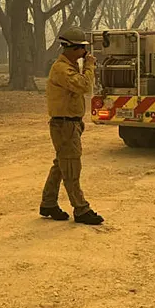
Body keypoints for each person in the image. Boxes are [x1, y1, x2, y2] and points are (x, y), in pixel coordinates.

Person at [39, 26, 104, 225]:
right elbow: (84, 86)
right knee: (72, 168)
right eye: (81, 49)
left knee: (62, 165)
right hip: (64, 125)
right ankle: (81, 209)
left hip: (70, 124)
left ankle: (48, 203)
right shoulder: (62, 69)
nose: (84, 52)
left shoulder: (69, 66)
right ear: (71, 48)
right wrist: (89, 66)